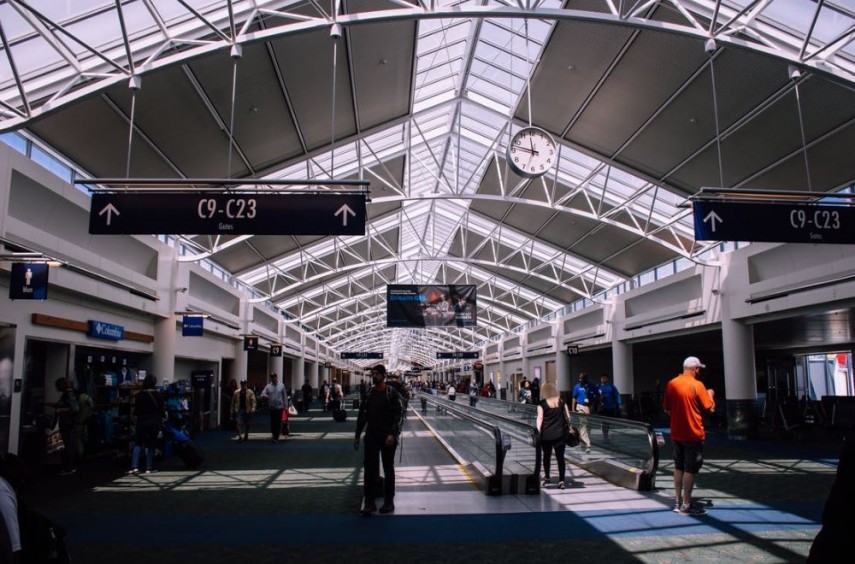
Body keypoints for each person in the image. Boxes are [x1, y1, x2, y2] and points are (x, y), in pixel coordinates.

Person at [662, 356, 715, 516]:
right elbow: (710, 408)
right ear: (695, 369)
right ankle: (686, 505)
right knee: (690, 469)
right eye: (698, 369)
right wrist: (710, 394)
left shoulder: (672, 383)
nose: (699, 372)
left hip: (676, 433)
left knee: (678, 466)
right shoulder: (697, 385)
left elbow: (666, 408)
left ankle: (678, 501)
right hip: (693, 434)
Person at [354, 365, 404, 516]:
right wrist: (357, 435)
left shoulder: (391, 393)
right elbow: (362, 415)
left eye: (376, 374)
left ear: (384, 375)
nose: (373, 376)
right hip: (371, 436)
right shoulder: (369, 393)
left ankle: (389, 501)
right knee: (369, 469)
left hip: (387, 437)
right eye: (372, 374)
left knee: (388, 468)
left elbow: (398, 415)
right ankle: (370, 502)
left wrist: (392, 434)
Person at [129, 374, 165, 474]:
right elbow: (162, 410)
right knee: (151, 444)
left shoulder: (139, 395)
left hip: (142, 421)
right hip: (154, 422)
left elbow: (136, 412)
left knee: (138, 443)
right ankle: (149, 467)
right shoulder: (158, 395)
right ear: (154, 383)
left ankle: (134, 466)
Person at [536, 382, 570, 489]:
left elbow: (540, 418)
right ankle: (561, 480)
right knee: (560, 457)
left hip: (546, 434)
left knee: (547, 456)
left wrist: (538, 431)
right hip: (560, 434)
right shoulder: (562, 402)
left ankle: (547, 477)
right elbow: (568, 417)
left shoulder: (542, 404)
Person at [53, 378, 79, 475]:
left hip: (67, 423)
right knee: (68, 444)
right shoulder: (70, 394)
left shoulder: (68, 394)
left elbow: (75, 408)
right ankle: (68, 467)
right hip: (68, 422)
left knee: (67, 445)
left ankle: (67, 467)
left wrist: (61, 410)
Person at [571, 373, 595, 453]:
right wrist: (573, 408)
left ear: (586, 378)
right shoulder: (577, 386)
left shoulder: (591, 386)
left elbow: (597, 396)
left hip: (589, 407)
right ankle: (588, 444)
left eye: (582, 378)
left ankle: (582, 438)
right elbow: (574, 398)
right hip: (580, 406)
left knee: (587, 425)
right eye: (580, 378)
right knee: (583, 423)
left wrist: (594, 406)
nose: (580, 380)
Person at [261, 372, 287, 443]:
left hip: (280, 407)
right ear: (271, 378)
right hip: (272, 407)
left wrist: (286, 406)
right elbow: (262, 394)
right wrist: (266, 396)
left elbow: (284, 396)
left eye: (274, 377)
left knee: (278, 422)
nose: (273, 378)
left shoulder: (281, 385)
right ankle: (274, 434)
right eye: (272, 377)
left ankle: (276, 437)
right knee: (273, 422)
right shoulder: (268, 386)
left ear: (276, 377)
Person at [597, 373, 622, 442]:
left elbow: (617, 395)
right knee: (604, 422)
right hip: (602, 408)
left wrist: (619, 404)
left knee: (609, 422)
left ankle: (607, 435)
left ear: (607, 379)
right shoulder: (598, 387)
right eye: (602, 378)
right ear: (600, 379)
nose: (603, 379)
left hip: (611, 407)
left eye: (605, 378)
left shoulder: (612, 387)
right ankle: (605, 436)